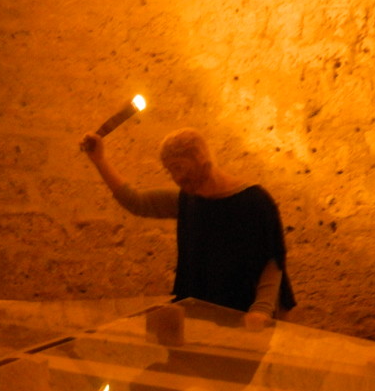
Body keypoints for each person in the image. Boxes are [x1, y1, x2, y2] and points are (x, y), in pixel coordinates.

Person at [80, 128, 295, 329]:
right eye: (170, 171)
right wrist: (100, 160)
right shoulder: (187, 200)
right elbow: (136, 202)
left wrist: (261, 310)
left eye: (179, 167)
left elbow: (273, 261)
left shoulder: (255, 201)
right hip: (198, 320)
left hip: (245, 321)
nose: (176, 178)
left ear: (200, 157)